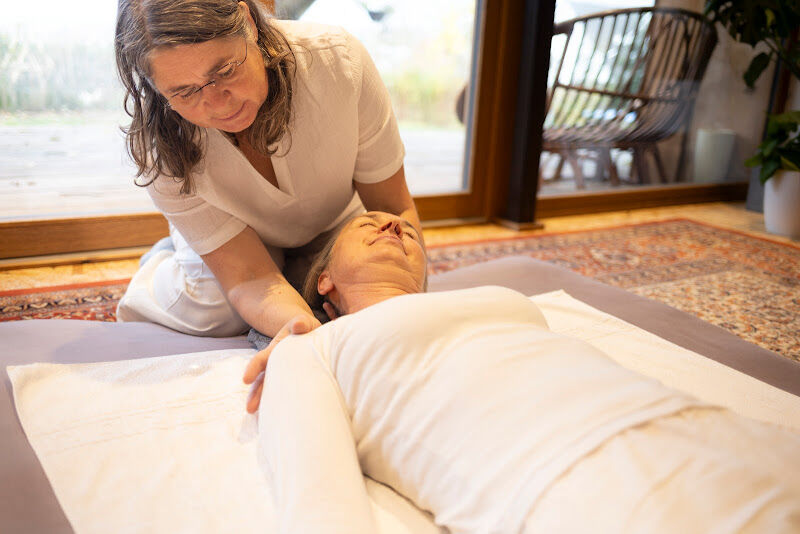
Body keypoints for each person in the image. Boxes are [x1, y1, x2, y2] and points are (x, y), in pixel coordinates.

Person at [252, 211, 800, 533]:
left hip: (698, 422)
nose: (396, 223)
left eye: (410, 234)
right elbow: (317, 494)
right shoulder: (312, 348)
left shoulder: (504, 299)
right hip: (566, 478)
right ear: (324, 282)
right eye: (369, 224)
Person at [112, 0, 423, 363]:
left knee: (372, 267)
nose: (216, 103)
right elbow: (249, 278)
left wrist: (408, 302)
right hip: (236, 234)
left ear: (248, 22)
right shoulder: (159, 148)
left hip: (335, 217)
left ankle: (295, 265)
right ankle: (166, 258)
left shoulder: (339, 62)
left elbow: (393, 207)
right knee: (219, 308)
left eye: (225, 70)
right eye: (184, 91)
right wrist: (307, 337)